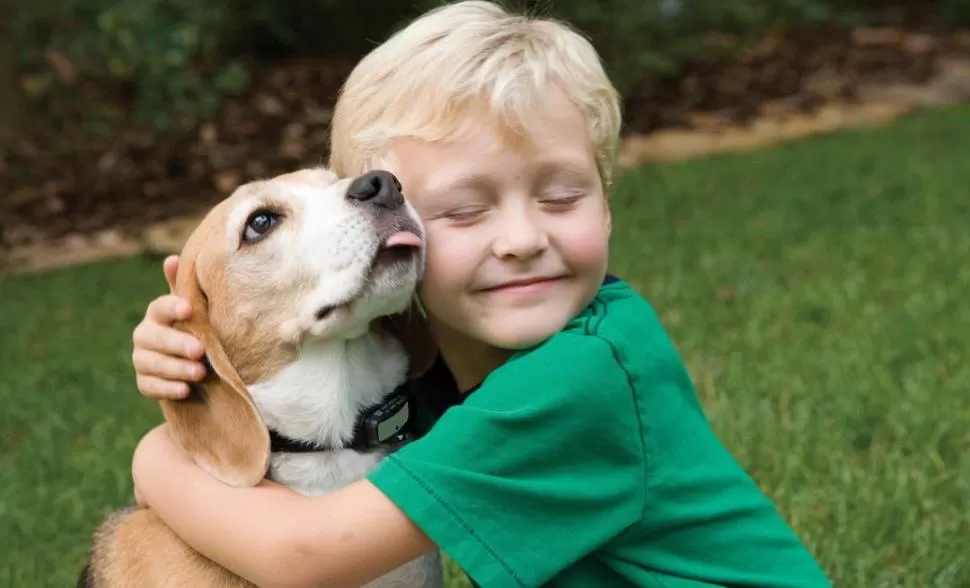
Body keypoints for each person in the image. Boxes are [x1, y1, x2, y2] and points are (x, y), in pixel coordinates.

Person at [128, 2, 832, 586]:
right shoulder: (445, 366)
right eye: (464, 212)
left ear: (608, 204)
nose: (523, 238)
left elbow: (303, 555)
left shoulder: (579, 378)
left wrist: (155, 456)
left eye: (562, 196)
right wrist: (192, 371)